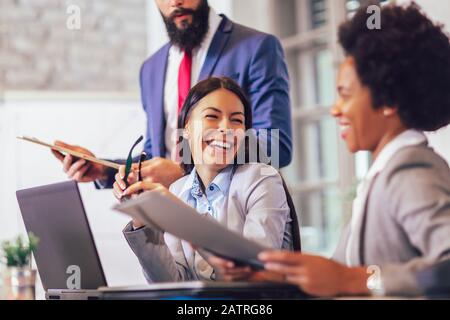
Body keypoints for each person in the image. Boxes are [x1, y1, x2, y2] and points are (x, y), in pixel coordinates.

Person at [210, 3, 450, 297]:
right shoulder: (381, 174)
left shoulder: (410, 169)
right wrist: (270, 274)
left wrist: (356, 280)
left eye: (345, 95)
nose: (335, 110)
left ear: (388, 102)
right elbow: (338, 271)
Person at [52, 0, 292, 189]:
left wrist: (186, 171)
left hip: (237, 221)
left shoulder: (257, 48)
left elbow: (275, 147)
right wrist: (105, 170)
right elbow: (157, 157)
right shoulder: (151, 69)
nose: (175, 2)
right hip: (169, 231)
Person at [114, 77, 294, 282]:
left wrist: (181, 217)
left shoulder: (262, 180)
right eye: (212, 116)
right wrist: (141, 216)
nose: (226, 128)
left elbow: (251, 271)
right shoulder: (177, 189)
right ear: (187, 127)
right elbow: (171, 284)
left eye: (236, 120)